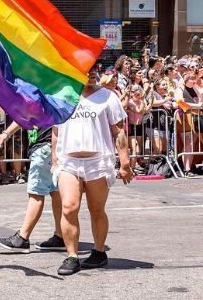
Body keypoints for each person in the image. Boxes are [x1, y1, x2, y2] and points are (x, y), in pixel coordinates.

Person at [52, 61, 133, 276]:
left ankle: (98, 253)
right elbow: (56, 130)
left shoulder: (108, 97)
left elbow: (119, 131)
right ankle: (72, 256)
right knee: (69, 207)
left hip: (98, 162)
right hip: (69, 161)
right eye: (86, 69)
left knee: (96, 210)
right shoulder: (63, 95)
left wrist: (125, 163)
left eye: (94, 69)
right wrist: (54, 160)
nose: (91, 73)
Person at [0, 122, 64, 253]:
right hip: (53, 147)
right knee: (55, 192)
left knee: (36, 193)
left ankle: (22, 237)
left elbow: (25, 112)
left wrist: (6, 133)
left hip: (44, 147)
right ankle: (61, 236)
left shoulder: (43, 100)